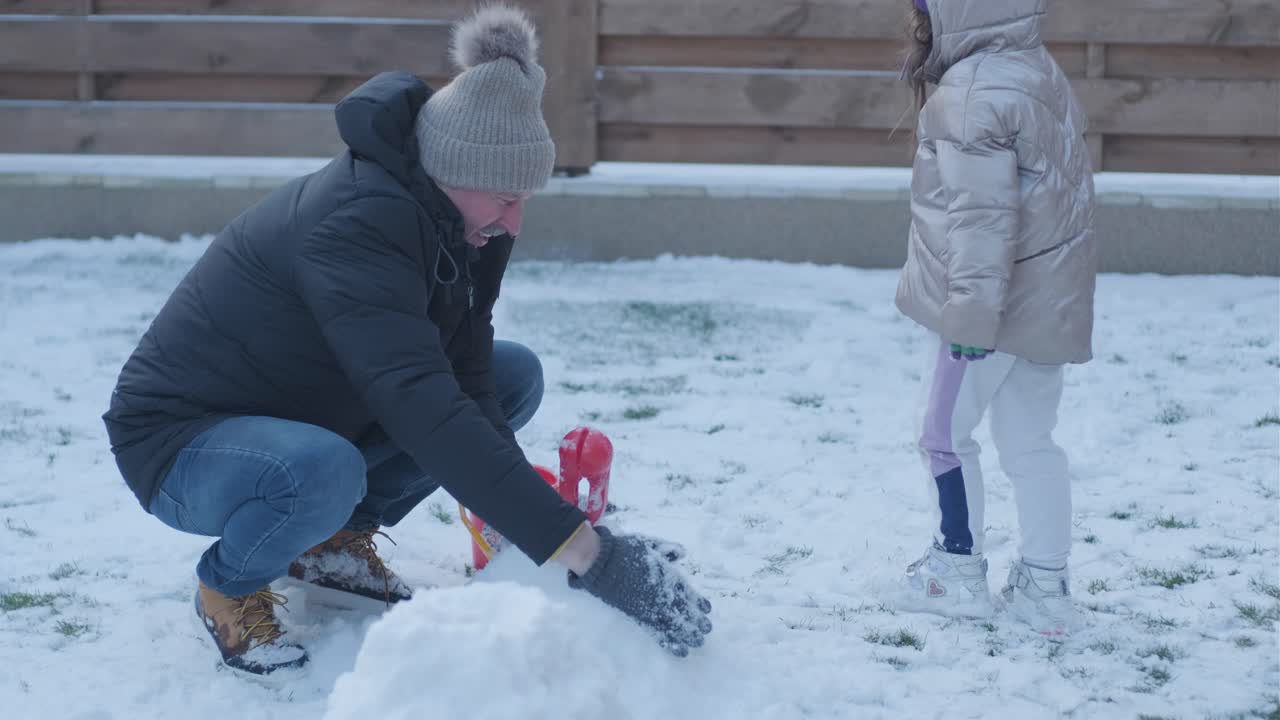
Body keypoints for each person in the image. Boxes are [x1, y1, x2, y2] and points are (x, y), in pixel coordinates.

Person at [102, 5, 711, 677]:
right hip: (182, 444)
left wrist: (544, 530)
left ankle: (331, 543)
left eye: (524, 199)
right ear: (451, 171)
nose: (515, 221)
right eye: (505, 198)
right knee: (323, 471)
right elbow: (422, 404)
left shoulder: (462, 222)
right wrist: (591, 558)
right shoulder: (357, 226)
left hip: (306, 412)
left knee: (512, 376)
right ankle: (230, 584)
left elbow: (467, 377)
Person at [892, 0, 1097, 635]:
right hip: (1045, 304)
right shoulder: (1036, 69)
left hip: (990, 311)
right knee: (1032, 443)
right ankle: (1045, 585)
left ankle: (954, 571)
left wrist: (971, 321)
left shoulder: (971, 91)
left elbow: (981, 222)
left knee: (941, 435)